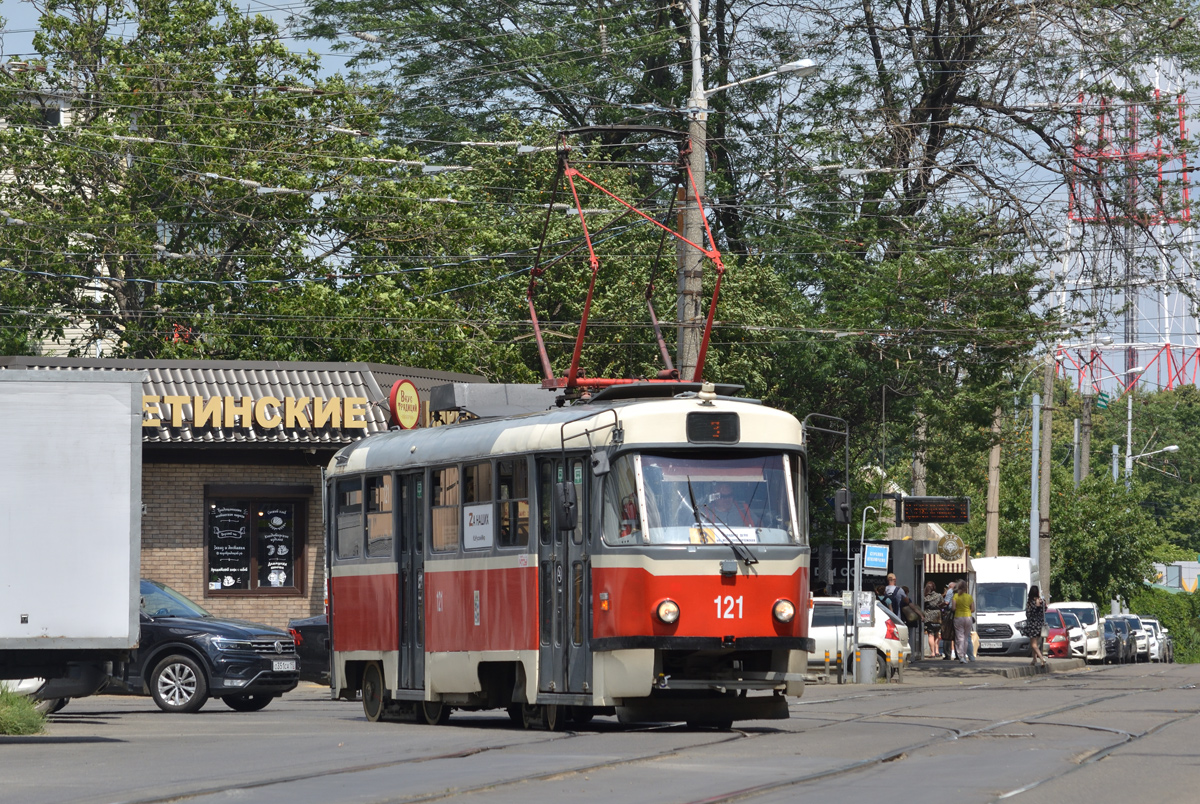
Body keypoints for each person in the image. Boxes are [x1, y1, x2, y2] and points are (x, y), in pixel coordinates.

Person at [1023, 585, 1047, 667]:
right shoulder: (1042, 601)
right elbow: (1045, 610)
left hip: (1032, 625)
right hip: (1040, 625)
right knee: (1035, 643)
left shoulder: (1030, 602)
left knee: (1033, 644)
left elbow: (1028, 614)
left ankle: (1042, 658)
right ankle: (1034, 659)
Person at [953, 579, 976, 663]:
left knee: (959, 637)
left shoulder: (955, 596)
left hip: (958, 617)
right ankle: (966, 655)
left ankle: (961, 656)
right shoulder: (969, 597)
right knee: (966, 638)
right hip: (968, 617)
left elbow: (953, 608)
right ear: (966, 588)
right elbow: (973, 609)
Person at [923, 581, 943, 657]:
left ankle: (932, 653)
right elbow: (942, 603)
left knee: (930, 634)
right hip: (937, 616)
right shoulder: (939, 595)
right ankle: (937, 651)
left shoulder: (925, 596)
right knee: (937, 633)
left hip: (928, 616)